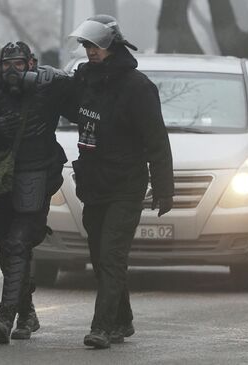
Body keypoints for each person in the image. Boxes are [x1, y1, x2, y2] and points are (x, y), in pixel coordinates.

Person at [63, 15, 174, 349]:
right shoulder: (84, 81)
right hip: (94, 182)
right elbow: (68, 109)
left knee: (111, 255)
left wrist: (164, 188)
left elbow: (157, 139)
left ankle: (102, 326)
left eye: (95, 45)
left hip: (126, 184)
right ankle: (122, 320)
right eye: (86, 45)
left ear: (112, 45)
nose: (90, 51)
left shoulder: (137, 87)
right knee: (99, 255)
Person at [0, 41, 70, 344]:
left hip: (38, 173)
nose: (12, 70)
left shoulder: (47, 88)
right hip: (3, 179)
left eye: (19, 63)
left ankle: (5, 316)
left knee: (18, 242)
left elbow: (76, 99)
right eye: (7, 63)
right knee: (5, 246)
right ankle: (27, 312)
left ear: (31, 63)